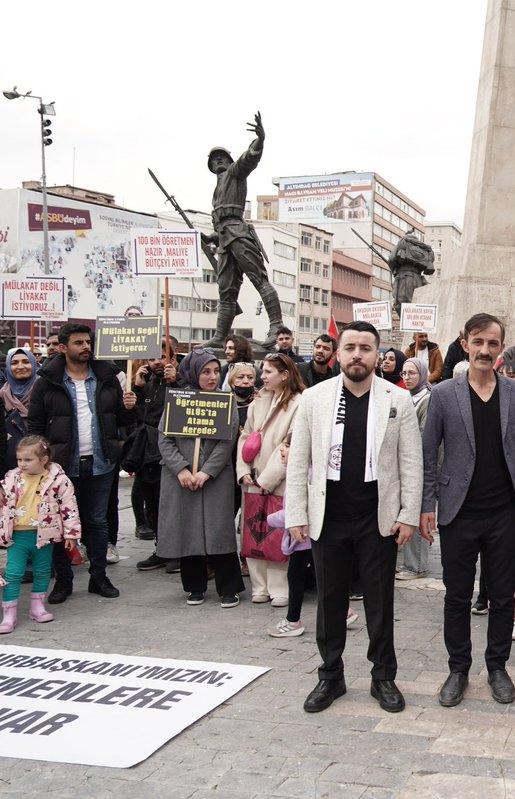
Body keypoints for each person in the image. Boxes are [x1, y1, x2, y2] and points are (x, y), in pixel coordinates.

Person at [285, 321, 422, 714]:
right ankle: (330, 675)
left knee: (380, 601)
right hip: (328, 515)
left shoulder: (397, 400)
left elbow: (411, 462)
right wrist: (296, 513)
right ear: (338, 353)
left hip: (376, 515)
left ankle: (383, 676)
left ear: (377, 355)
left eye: (365, 347)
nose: (357, 354)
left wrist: (408, 514)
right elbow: (298, 462)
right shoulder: (314, 399)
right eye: (350, 347)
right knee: (329, 600)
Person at [420, 313, 515, 706]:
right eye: (478, 342)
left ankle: (498, 666)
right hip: (458, 513)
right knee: (456, 596)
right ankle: (458, 669)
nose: (485, 350)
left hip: (506, 512)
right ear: (465, 343)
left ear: (501, 347)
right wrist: (426, 506)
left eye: (492, 343)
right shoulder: (443, 394)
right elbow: (428, 455)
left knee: (503, 595)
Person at [27, 323, 136, 603]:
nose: (85, 347)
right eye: (78, 343)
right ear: (63, 348)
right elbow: (36, 424)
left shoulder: (106, 378)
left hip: (101, 462)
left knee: (97, 522)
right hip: (62, 466)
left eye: (88, 342)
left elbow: (122, 421)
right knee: (61, 525)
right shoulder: (47, 381)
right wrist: (42, 461)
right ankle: (64, 581)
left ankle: (99, 577)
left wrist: (130, 407)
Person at [156, 350, 245, 608]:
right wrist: (182, 469)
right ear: (194, 373)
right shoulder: (178, 400)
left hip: (215, 478)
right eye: (206, 371)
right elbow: (165, 438)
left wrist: (207, 471)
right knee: (188, 530)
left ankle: (228, 587)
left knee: (220, 531)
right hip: (180, 477)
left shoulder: (225, 401)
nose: (212, 377)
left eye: (216, 371)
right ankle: (194, 586)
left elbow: (226, 442)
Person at [202, 112, 285, 348]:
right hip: (225, 239)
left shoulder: (234, 173)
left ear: (229, 161)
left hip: (238, 233)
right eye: (214, 159)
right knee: (226, 290)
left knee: (259, 279)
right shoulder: (218, 187)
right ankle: (220, 336)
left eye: (222, 157)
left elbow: (249, 158)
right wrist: (212, 236)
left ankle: (276, 324)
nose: (218, 160)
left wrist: (260, 140)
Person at [238, 353, 305, 607]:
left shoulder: (299, 402)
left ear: (285, 375)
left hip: (280, 479)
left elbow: (291, 442)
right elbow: (245, 436)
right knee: (253, 531)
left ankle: (280, 588)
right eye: (262, 371)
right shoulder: (257, 402)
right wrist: (243, 470)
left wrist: (268, 479)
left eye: (268, 372)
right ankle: (259, 585)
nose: (262, 377)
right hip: (252, 478)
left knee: (277, 532)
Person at [0, 436, 80, 633]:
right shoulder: (10, 479)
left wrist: (71, 534)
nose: (22, 464)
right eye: (19, 460)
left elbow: (69, 507)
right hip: (17, 535)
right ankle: (8, 615)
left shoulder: (59, 480)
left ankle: (37, 607)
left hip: (45, 534)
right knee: (13, 573)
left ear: (44, 460)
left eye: (28, 460)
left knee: (43, 571)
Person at [131, 338, 180, 572]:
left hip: (170, 453)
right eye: (152, 358)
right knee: (152, 504)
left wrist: (177, 383)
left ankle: (175, 552)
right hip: (147, 453)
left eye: (162, 356)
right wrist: (137, 390)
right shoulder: (148, 383)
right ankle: (161, 549)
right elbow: (139, 417)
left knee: (169, 505)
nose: (157, 362)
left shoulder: (181, 381)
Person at [396, 357, 433, 580]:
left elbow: (423, 436)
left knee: (418, 511)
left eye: (412, 373)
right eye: (404, 374)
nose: (407, 378)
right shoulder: (406, 398)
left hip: (419, 465)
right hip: (405, 464)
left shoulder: (427, 399)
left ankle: (416, 565)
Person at [1, 347, 39, 471]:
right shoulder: (2, 394)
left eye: (26, 362)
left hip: (41, 462)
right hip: (9, 465)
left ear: (33, 364)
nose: (20, 366)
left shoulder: (44, 390)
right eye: (14, 363)